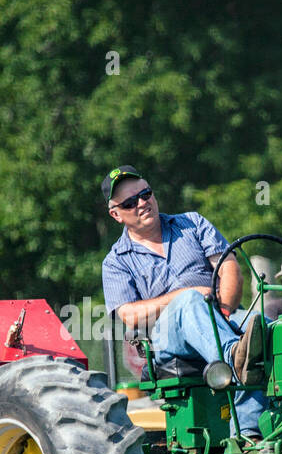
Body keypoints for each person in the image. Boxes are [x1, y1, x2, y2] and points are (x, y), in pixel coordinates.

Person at [99, 165, 267, 435]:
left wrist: (223, 309)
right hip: (167, 339)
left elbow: (229, 267)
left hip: (219, 313)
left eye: (146, 194)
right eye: (131, 202)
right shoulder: (116, 262)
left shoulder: (192, 223)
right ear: (116, 214)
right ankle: (233, 357)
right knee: (189, 303)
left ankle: (252, 434)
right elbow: (128, 315)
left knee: (266, 326)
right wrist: (181, 297)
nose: (142, 203)